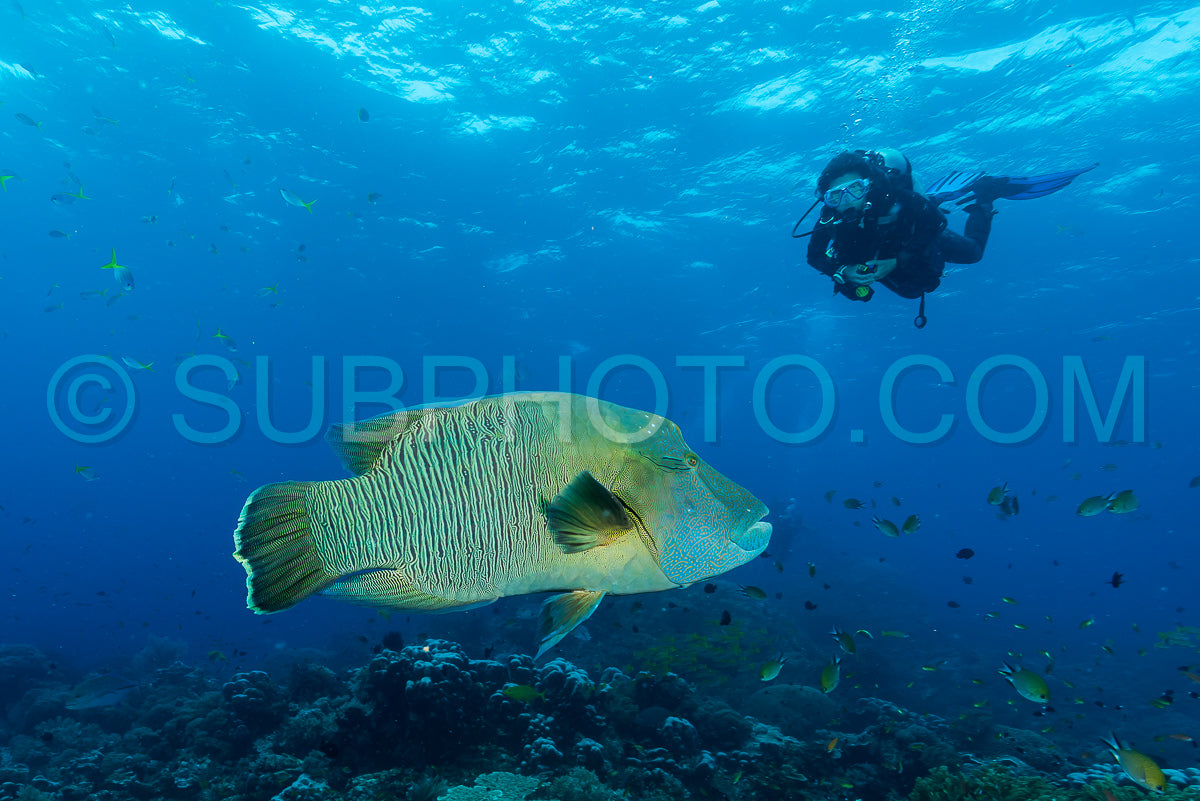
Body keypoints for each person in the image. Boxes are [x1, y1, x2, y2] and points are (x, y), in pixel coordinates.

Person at [796, 148, 1096, 327]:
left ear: (870, 185)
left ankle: (985, 196)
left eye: (856, 189)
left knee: (973, 253)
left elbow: (935, 222)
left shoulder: (893, 196)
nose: (847, 200)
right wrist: (842, 271)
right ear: (827, 198)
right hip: (880, 252)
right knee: (911, 291)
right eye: (836, 195)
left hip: (914, 231)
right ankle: (934, 197)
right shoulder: (829, 215)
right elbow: (814, 256)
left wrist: (897, 259)